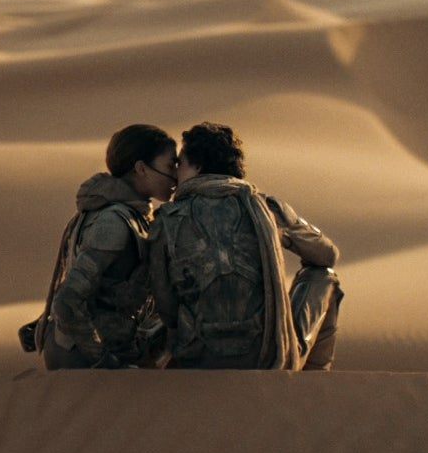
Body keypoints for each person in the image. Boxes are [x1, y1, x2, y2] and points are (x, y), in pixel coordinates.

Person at [150, 122, 343, 370]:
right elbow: (327, 255)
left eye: (181, 163)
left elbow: (165, 304)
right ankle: (308, 385)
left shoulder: (167, 218)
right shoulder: (264, 208)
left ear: (197, 165)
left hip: (195, 358)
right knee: (323, 276)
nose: (176, 173)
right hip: (266, 358)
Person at [24, 124, 179, 369]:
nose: (176, 176)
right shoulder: (114, 221)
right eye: (170, 165)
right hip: (82, 357)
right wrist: (103, 362)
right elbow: (67, 300)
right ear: (141, 168)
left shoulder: (123, 214)